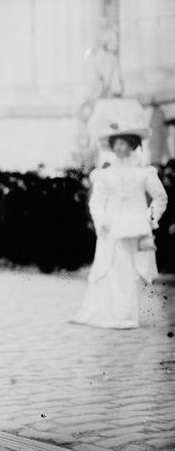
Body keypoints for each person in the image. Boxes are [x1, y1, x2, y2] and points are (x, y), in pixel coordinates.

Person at [71, 101, 168, 329]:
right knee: (111, 268)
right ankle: (112, 313)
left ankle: (128, 313)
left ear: (133, 145)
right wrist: (102, 221)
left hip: (136, 226)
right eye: (116, 144)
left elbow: (160, 197)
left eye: (124, 143)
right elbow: (97, 201)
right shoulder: (105, 174)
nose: (120, 148)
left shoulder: (144, 172)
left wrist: (149, 220)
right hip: (112, 226)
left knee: (133, 271)